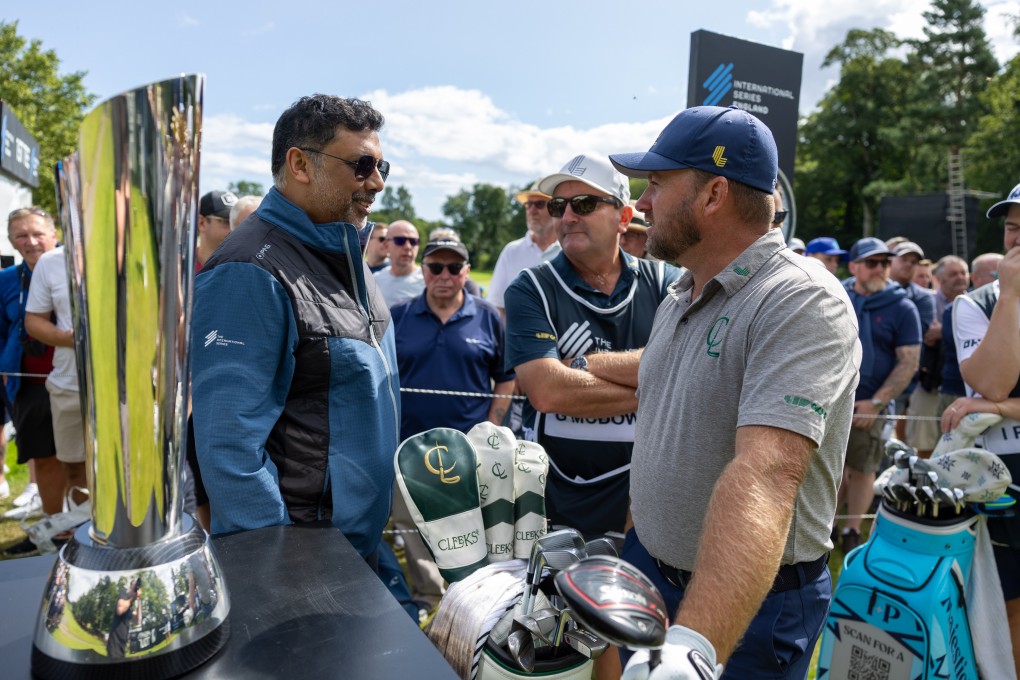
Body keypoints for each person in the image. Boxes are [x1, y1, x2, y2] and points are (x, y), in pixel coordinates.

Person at [610, 105, 860, 679]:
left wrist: (691, 646)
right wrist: (636, 546)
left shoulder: (799, 300)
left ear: (714, 194)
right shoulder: (683, 289)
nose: (640, 204)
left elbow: (768, 472)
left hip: (746, 608)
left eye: (655, 184)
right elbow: (665, 430)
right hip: (652, 574)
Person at [191, 95, 399, 567]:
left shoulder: (344, 252)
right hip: (302, 558)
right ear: (300, 164)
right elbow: (228, 446)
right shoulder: (248, 270)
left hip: (355, 546)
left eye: (384, 165)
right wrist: (277, 566)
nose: (378, 182)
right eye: (362, 165)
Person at [504, 153, 680, 540]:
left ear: (623, 217)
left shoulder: (669, 282)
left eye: (583, 204)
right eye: (558, 205)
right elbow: (547, 391)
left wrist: (581, 364)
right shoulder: (530, 288)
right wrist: (660, 386)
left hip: (649, 502)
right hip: (557, 500)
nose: (567, 217)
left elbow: (689, 366)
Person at [389, 238, 515, 612]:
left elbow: (505, 376)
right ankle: (428, 600)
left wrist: (492, 425)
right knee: (413, 529)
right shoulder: (398, 315)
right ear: (423, 271)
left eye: (454, 268)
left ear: (465, 271)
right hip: (409, 447)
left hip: (469, 450)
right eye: (435, 267)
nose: (444, 275)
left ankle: (471, 603)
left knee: (473, 531)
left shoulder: (488, 316)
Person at [947, 179, 1020, 676]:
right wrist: (1012, 296)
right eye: (1014, 230)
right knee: (1004, 609)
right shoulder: (976, 304)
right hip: (999, 476)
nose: (1018, 241)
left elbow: (990, 395)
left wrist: (1000, 407)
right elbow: (992, 380)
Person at [836, 237, 921, 552]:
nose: (880, 269)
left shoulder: (902, 306)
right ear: (855, 266)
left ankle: (852, 530)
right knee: (829, 467)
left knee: (862, 468)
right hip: (832, 400)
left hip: (869, 402)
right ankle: (826, 525)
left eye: (885, 263)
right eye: (872, 263)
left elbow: (908, 361)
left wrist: (876, 402)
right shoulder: (837, 295)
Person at [1, 207, 64, 557]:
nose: (30, 241)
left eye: (37, 233)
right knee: (44, 457)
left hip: (74, 381)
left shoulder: (77, 268)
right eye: (21, 235)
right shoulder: (7, 280)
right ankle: (53, 531)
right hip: (29, 383)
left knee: (79, 459)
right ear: (11, 240)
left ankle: (81, 527)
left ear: (54, 233)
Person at [24, 246, 87, 507]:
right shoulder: (50, 262)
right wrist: (70, 339)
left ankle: (130, 539)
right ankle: (85, 536)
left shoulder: (143, 247)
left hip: (131, 386)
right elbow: (34, 321)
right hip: (68, 383)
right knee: (75, 469)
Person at [885, 241, 935, 449]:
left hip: (905, 380)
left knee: (896, 441)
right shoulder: (868, 289)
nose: (909, 265)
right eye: (904, 259)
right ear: (891, 260)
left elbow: (916, 334)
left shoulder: (923, 297)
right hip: (868, 378)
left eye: (914, 261)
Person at [487, 182, 561, 318]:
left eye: (539, 204)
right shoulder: (511, 251)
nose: (532, 210)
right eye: (528, 204)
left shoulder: (569, 251)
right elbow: (497, 306)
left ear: (556, 208)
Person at [373, 219, 423, 307]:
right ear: (386, 245)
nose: (408, 247)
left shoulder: (428, 281)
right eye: (400, 240)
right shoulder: (374, 282)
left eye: (413, 241)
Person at [196, 190, 238, 269]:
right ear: (202, 223)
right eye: (227, 221)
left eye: (237, 223)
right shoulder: (179, 265)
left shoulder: (244, 268)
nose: (234, 229)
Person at [107, 577, 142, 659]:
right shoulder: (123, 594)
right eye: (134, 588)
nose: (135, 591)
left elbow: (137, 621)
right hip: (114, 644)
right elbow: (119, 610)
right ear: (130, 587)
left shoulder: (130, 606)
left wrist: (139, 600)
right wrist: (133, 598)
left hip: (123, 645)